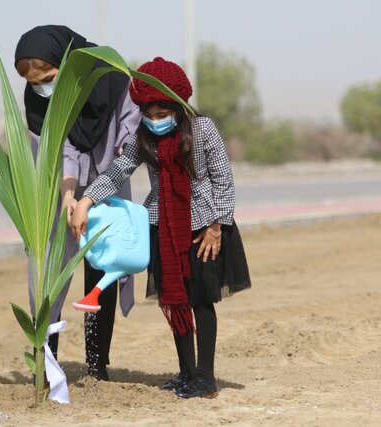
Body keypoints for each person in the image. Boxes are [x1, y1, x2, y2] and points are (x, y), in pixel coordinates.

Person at [70, 57, 251, 398]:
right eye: (149, 116)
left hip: (203, 226)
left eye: (161, 115)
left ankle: (205, 378)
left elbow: (223, 178)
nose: (155, 122)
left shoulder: (203, 129)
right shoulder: (144, 137)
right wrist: (86, 200)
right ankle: (185, 373)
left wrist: (217, 226)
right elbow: (119, 170)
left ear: (178, 106)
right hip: (162, 224)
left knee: (200, 300)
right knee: (173, 299)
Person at [14, 25, 142, 381]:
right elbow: (60, 148)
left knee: (102, 272)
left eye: (50, 78)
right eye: (34, 84)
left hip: (110, 185)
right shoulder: (41, 98)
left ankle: (97, 365)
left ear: (68, 63)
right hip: (61, 189)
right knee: (50, 270)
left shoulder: (115, 82)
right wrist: (68, 195)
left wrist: (90, 198)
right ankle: (46, 362)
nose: (44, 89)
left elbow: (127, 155)